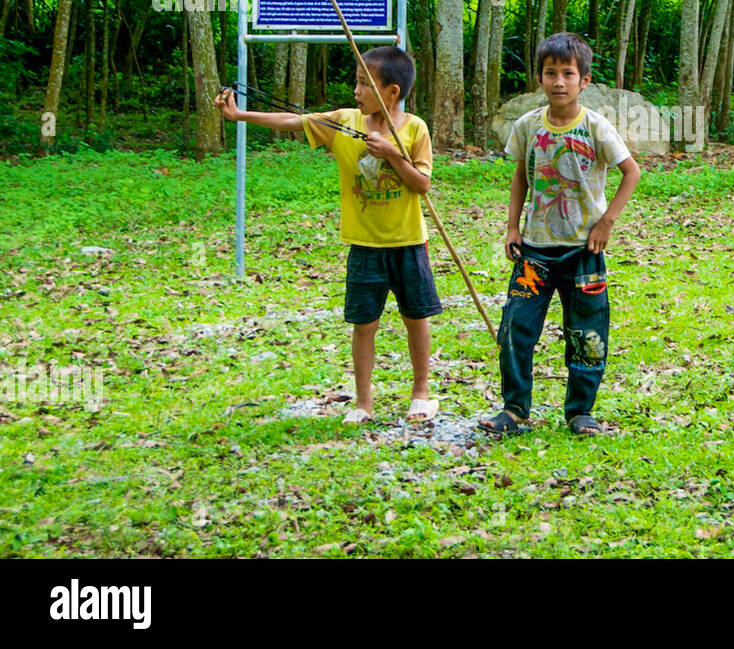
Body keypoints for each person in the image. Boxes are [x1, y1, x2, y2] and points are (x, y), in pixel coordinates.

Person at [215, 46, 441, 423]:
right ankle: (363, 402)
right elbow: (292, 121)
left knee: (416, 316)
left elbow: (422, 184)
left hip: (408, 242)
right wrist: (239, 116)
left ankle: (421, 393)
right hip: (364, 244)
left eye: (362, 84)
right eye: (355, 82)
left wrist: (392, 155)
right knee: (364, 323)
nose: (355, 91)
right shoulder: (344, 121)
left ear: (392, 92)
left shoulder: (414, 128)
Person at [480, 32, 640, 437]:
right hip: (535, 251)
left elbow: (631, 172)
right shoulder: (527, 126)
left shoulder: (597, 127)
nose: (558, 82)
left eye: (568, 73)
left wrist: (606, 223)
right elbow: (520, 176)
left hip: (584, 250)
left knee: (587, 333)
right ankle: (514, 409)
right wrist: (512, 226)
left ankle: (580, 412)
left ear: (584, 80)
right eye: (550, 73)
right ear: (539, 78)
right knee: (516, 327)